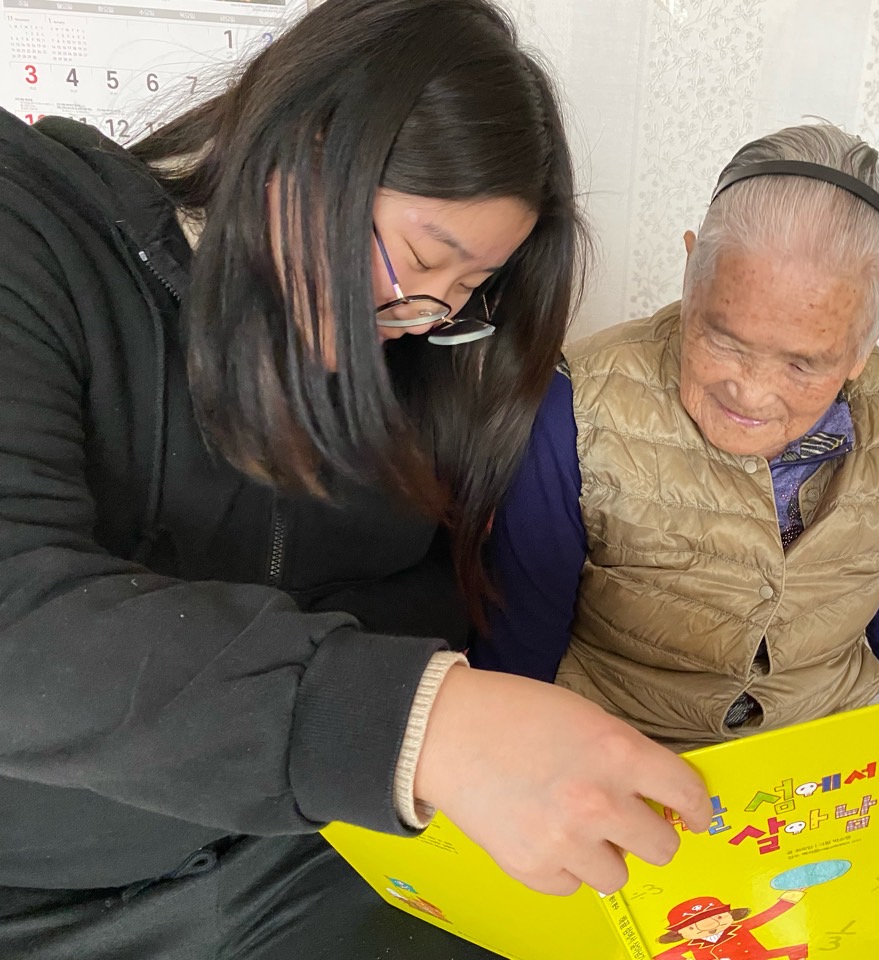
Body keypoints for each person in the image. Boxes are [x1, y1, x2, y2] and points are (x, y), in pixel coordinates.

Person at [0, 1, 711, 957]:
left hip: (300, 857)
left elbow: (421, 600)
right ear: (313, 142)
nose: (418, 319)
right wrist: (422, 723)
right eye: (420, 260)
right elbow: (20, 622)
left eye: (463, 295)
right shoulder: (29, 225)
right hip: (34, 888)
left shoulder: (408, 355)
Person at [473, 123, 879, 959]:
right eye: (723, 337)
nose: (750, 392)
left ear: (870, 339)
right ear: (691, 270)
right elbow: (516, 661)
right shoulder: (577, 408)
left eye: (803, 365)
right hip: (632, 779)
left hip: (831, 794)